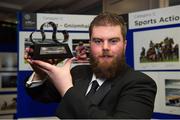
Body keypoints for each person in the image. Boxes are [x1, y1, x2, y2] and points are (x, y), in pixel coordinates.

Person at [25, 12, 157, 119]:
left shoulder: (140, 83)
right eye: (98, 41)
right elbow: (41, 95)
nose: (105, 47)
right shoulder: (78, 72)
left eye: (113, 41)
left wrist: (66, 88)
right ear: (90, 44)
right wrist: (40, 72)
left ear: (125, 45)